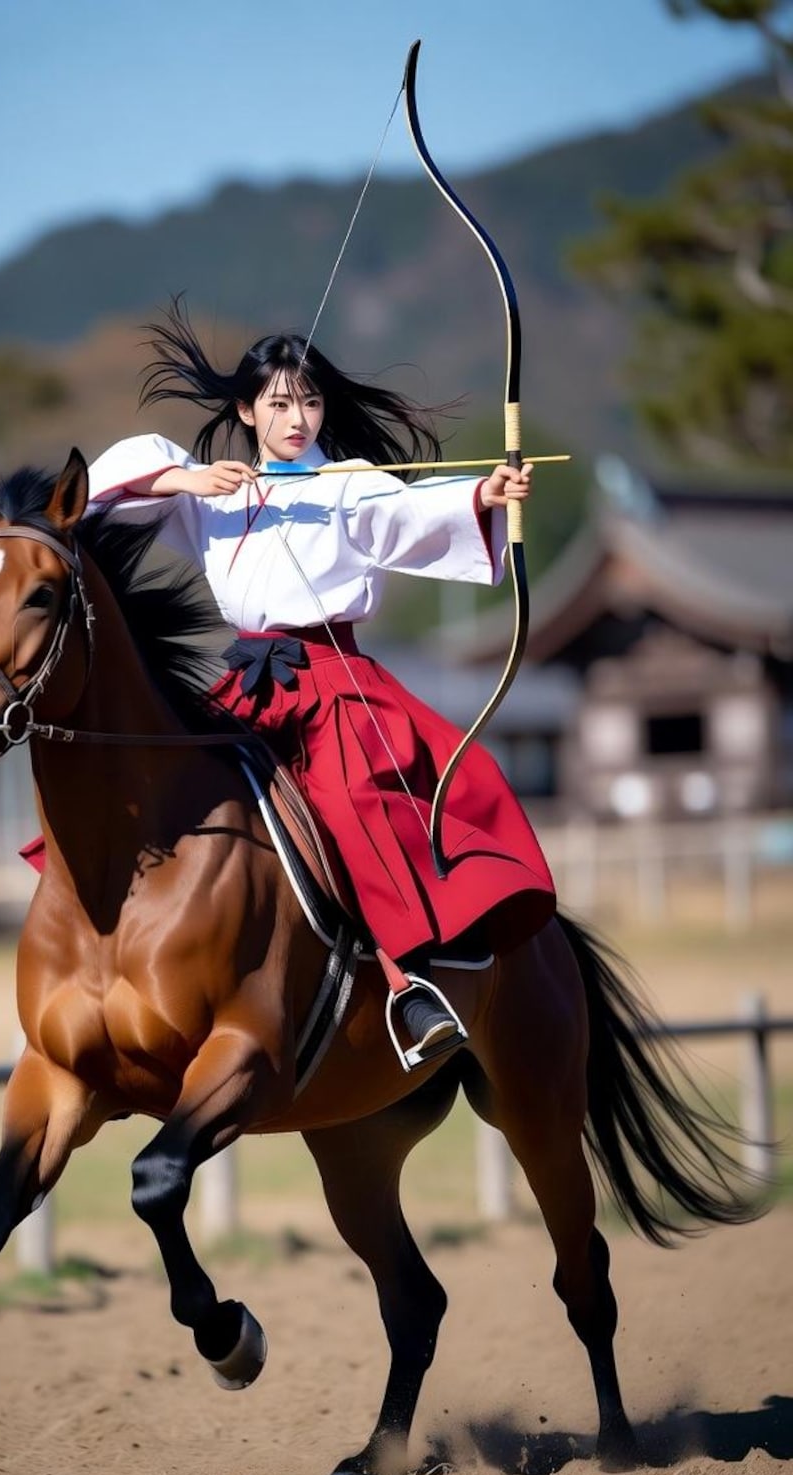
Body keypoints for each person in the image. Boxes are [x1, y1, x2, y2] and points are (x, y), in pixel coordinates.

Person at [80, 302, 556, 1067]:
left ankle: (408, 980)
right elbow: (90, 499)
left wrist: (485, 494)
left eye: (309, 401)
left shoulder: (349, 483)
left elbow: (414, 512)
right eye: (277, 403)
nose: (296, 417)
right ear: (245, 411)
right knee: (166, 790)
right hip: (244, 681)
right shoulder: (212, 496)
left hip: (334, 684)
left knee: (351, 803)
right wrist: (185, 476)